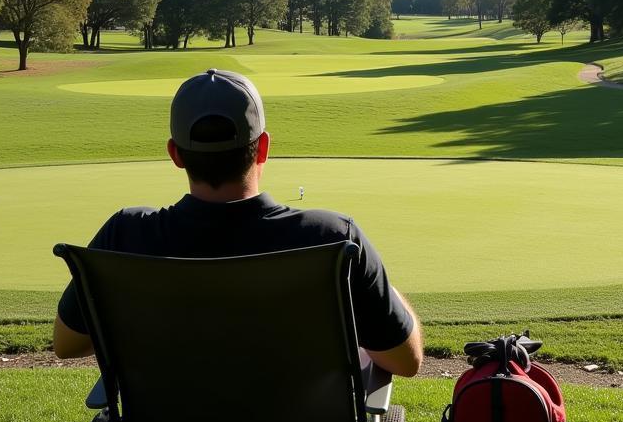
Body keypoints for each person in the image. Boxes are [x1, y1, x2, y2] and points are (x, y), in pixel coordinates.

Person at [53, 68, 423, 379]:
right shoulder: (332, 238)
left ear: (175, 154)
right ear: (263, 147)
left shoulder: (125, 233)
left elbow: (67, 343)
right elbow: (405, 361)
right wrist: (388, 293)